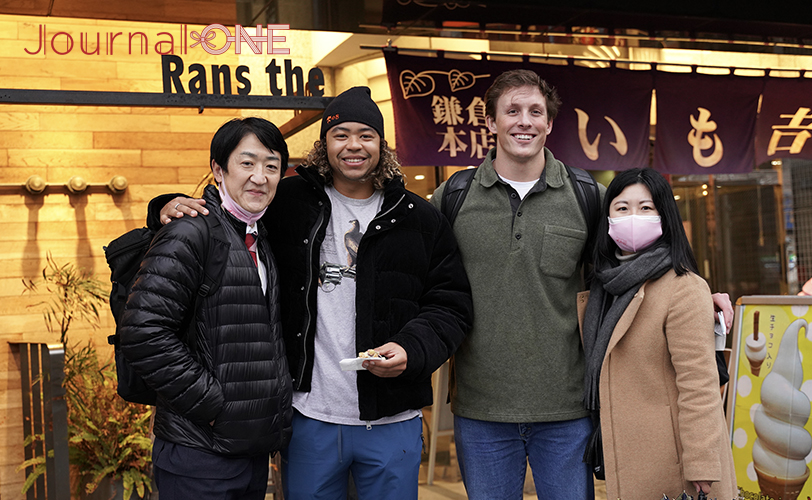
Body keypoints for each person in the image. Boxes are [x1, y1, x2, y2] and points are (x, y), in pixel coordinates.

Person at [151, 86, 474, 499]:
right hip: (308, 417)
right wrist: (164, 205)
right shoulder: (286, 202)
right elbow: (224, 219)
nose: (353, 145)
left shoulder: (420, 217)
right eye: (341, 135)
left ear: (382, 144)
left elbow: (451, 304)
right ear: (324, 144)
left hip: (393, 418)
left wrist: (413, 349)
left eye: (365, 135)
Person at [430, 69, 734, 499]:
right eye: (512, 111)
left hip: (569, 410)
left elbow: (630, 261)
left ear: (550, 124)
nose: (524, 121)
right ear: (491, 121)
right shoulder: (454, 196)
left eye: (536, 112)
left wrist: (702, 290)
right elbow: (425, 279)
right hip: (480, 410)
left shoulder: (585, 194)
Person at [119, 117, 293, 499]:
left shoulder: (256, 236)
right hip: (198, 452)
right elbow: (143, 330)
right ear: (218, 169)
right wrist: (211, 403)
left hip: (246, 450)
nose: (260, 177)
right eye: (247, 163)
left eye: (271, 165)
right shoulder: (192, 230)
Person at [581, 168, 737, 499]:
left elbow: (698, 386)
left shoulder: (683, 287)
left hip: (672, 463)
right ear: (607, 218)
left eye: (646, 208)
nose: (633, 217)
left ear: (664, 215)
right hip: (625, 455)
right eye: (622, 208)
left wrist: (702, 464)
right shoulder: (601, 289)